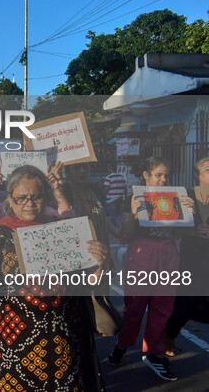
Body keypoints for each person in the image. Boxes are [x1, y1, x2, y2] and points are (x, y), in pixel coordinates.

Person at [0, 165, 108, 391]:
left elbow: (82, 284)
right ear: (10, 198)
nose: (29, 203)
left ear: (45, 196)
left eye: (36, 197)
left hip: (63, 337)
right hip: (15, 340)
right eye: (22, 198)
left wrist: (98, 266)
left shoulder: (62, 231)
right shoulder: (0, 234)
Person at [108, 156, 194, 381]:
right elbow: (125, 235)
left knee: (162, 308)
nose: (164, 179)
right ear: (146, 175)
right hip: (142, 255)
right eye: (158, 175)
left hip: (168, 255)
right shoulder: (133, 197)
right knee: (134, 309)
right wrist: (134, 214)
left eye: (166, 175)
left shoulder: (177, 197)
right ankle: (121, 348)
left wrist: (189, 215)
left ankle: (155, 354)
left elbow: (181, 233)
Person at [165, 157, 209, 355]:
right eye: (207, 169)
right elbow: (174, 231)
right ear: (197, 175)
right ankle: (169, 336)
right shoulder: (186, 196)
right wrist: (193, 230)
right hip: (194, 258)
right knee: (186, 302)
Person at [64, 163, 120, 266]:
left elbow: (102, 216)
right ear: (67, 172)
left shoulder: (95, 189)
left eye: (85, 167)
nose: (82, 171)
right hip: (77, 252)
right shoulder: (63, 192)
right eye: (77, 168)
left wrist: (116, 232)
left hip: (101, 248)